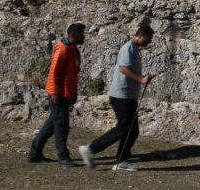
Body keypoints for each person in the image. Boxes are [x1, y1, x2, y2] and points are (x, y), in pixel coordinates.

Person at [79, 25, 155, 172]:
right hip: (121, 96)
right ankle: (90, 149)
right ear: (142, 35)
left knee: (132, 131)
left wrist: (143, 78)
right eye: (149, 38)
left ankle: (122, 160)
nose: (150, 41)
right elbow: (123, 68)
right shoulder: (128, 48)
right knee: (124, 127)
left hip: (128, 96)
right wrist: (141, 80)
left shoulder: (134, 49)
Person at [28, 23, 85, 167]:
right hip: (58, 95)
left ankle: (34, 153)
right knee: (61, 126)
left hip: (65, 94)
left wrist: (73, 93)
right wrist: (54, 93)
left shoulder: (73, 49)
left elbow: (72, 74)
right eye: (81, 34)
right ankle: (63, 157)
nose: (84, 36)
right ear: (73, 35)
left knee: (52, 125)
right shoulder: (63, 48)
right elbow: (54, 72)